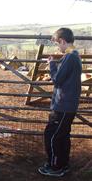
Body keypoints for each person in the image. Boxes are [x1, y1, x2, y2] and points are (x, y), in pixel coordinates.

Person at [38, 28, 82, 177]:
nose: (58, 47)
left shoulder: (70, 57)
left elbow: (57, 79)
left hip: (63, 105)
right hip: (67, 104)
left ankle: (55, 166)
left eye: (57, 44)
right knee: (62, 135)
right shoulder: (74, 55)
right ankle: (63, 164)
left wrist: (51, 64)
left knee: (52, 135)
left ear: (62, 41)